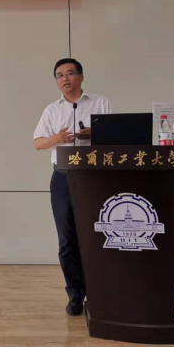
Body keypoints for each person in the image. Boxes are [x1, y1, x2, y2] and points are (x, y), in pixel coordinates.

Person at [33, 58, 112, 316]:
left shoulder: (101, 103)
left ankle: (99, 293)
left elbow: (117, 136)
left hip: (94, 176)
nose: (65, 79)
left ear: (81, 76)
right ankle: (75, 295)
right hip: (63, 178)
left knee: (96, 235)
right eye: (59, 75)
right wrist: (56, 138)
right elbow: (38, 143)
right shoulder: (51, 110)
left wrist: (95, 134)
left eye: (70, 73)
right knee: (67, 239)